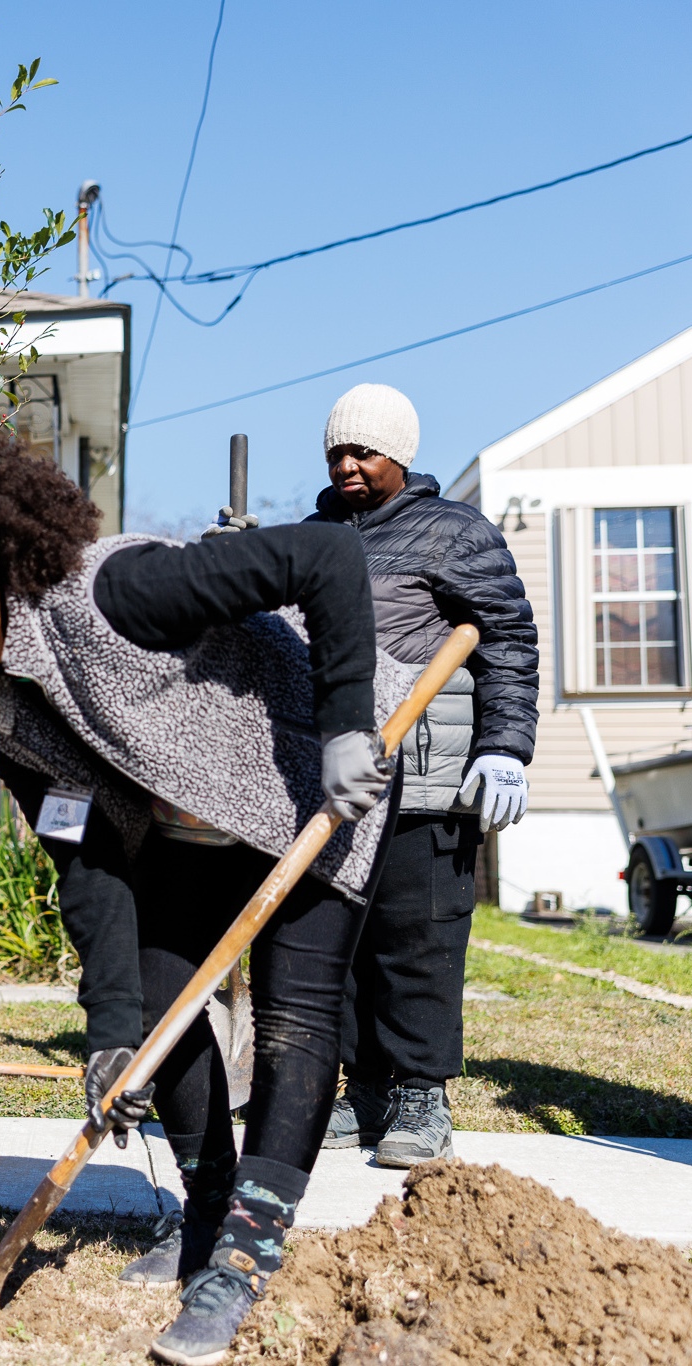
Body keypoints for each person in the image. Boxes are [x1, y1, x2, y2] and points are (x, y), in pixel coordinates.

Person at [0, 431, 407, 1366]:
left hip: (314, 782)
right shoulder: (3, 714)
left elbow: (325, 555)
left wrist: (348, 725)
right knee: (161, 1000)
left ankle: (245, 1255)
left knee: (293, 1021)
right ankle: (202, 1219)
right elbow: (88, 863)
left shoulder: (116, 593)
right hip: (191, 826)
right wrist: (111, 1031)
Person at [306, 383, 537, 1167]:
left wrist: (503, 746)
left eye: (362, 452)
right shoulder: (315, 536)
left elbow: (506, 637)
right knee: (345, 941)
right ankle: (364, 1089)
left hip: (427, 777)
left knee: (417, 938)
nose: (346, 464)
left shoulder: (454, 533)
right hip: (339, 779)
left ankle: (419, 1094)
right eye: (336, 450)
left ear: (397, 455)